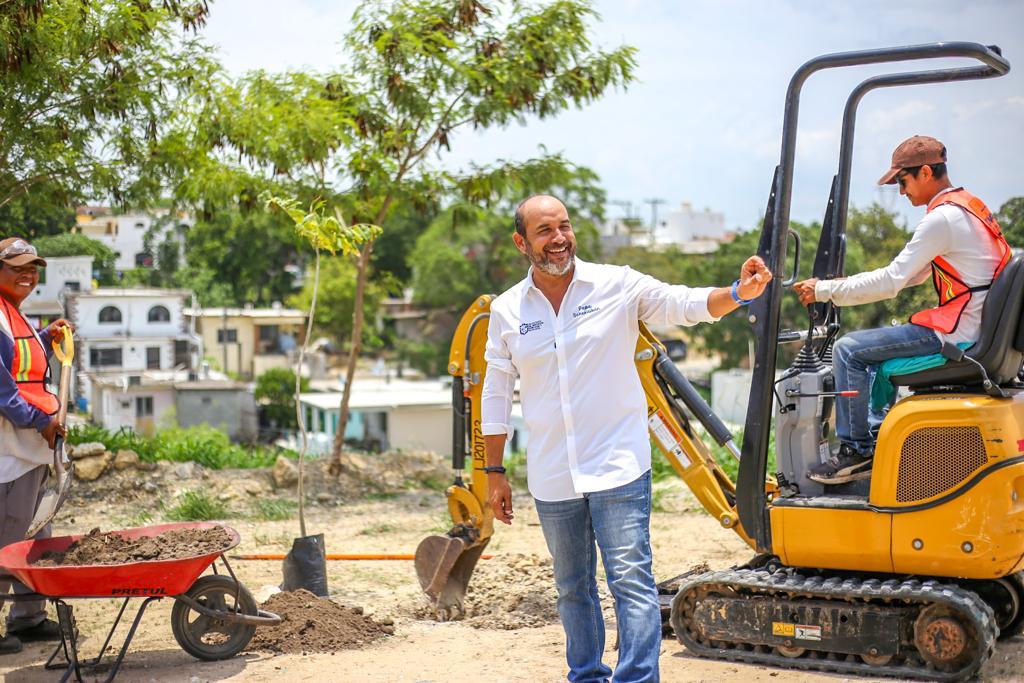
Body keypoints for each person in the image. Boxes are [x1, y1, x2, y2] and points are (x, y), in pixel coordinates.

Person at [480, 195, 771, 683]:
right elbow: (494, 392)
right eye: (545, 231)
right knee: (572, 587)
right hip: (553, 474)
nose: (559, 238)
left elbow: (684, 303)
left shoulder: (616, 284)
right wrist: (493, 473)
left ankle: (637, 678)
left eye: (564, 226)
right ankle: (587, 676)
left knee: (631, 581)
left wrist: (738, 292)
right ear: (521, 243)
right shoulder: (508, 310)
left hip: (617, 463)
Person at [793, 136, 1011, 485]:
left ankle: (856, 451)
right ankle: (880, 437)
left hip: (959, 334)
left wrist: (824, 290)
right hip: (976, 327)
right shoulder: (969, 207)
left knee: (849, 350)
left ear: (926, 172)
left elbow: (892, 281)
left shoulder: (942, 220)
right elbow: (912, 275)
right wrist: (843, 285)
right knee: (875, 345)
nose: (900, 191)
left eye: (902, 181)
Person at [0, 237, 74, 654]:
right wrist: (40, 421)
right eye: (17, 268)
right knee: (8, 533)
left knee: (35, 530)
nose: (28, 275)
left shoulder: (15, 316)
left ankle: (28, 616)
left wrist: (47, 336)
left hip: (32, 445)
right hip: (10, 446)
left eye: (33, 268)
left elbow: (24, 363)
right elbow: (3, 393)